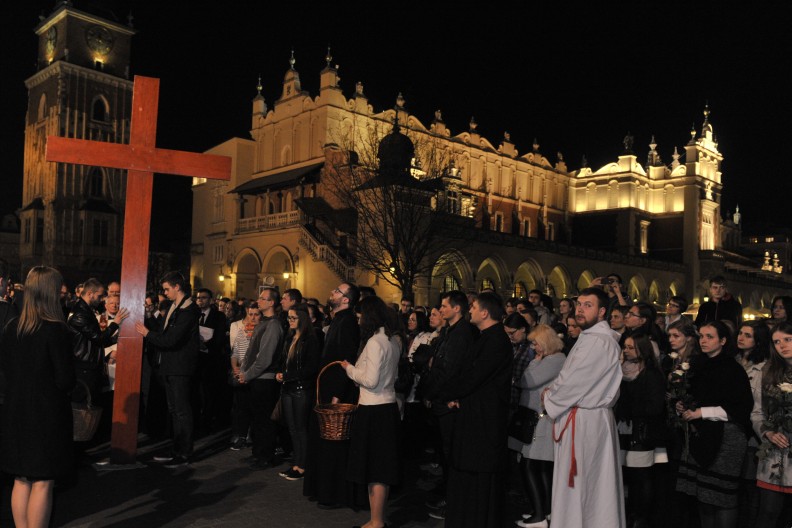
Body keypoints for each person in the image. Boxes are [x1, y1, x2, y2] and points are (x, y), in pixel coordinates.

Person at [541, 287, 626, 528]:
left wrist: (549, 398)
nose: (580, 309)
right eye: (579, 304)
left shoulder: (599, 342)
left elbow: (574, 382)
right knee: (581, 485)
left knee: (587, 485)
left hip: (588, 423)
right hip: (582, 418)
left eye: (587, 305)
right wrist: (553, 392)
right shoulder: (589, 338)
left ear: (601, 312)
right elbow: (567, 378)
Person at [0, 266, 75, 528]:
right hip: (46, 415)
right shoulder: (57, 330)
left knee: (21, 479)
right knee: (43, 482)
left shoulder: (11, 328)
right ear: (51, 292)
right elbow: (65, 380)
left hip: (14, 412)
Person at [440, 292, 513, 528]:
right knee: (466, 472)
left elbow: (475, 376)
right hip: (474, 414)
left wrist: (449, 393)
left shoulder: (496, 340)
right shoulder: (484, 337)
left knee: (480, 475)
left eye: (473, 307)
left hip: (484, 421)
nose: (469, 310)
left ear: (485, 312)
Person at [675, 320, 752, 528]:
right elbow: (692, 395)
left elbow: (741, 408)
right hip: (700, 436)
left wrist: (701, 412)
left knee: (722, 498)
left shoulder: (732, 369)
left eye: (710, 337)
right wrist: (682, 405)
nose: (704, 341)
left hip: (727, 437)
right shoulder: (697, 364)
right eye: (701, 336)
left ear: (723, 340)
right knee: (703, 495)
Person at [340, 296, 401, 528]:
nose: (357, 322)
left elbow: (370, 380)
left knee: (374, 468)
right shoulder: (392, 340)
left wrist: (350, 369)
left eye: (359, 317)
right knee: (380, 467)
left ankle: (376, 521)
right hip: (386, 406)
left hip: (373, 408)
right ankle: (376, 520)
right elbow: (391, 377)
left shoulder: (376, 342)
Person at [303, 282, 364, 510]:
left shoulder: (348, 323)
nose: (332, 292)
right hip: (325, 387)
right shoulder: (338, 320)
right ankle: (320, 488)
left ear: (346, 299)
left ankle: (332, 493)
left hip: (334, 392)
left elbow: (345, 359)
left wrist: (337, 394)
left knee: (333, 445)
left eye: (338, 291)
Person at [418, 290, 477, 520]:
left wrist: (432, 393)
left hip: (448, 401)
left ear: (456, 308)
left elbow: (448, 371)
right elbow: (435, 362)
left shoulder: (461, 334)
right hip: (441, 398)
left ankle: (453, 501)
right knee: (445, 452)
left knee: (451, 453)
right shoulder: (451, 331)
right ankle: (448, 493)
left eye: (444, 306)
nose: (441, 309)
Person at [134, 271, 201, 468]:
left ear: (177, 287)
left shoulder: (188, 311)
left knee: (181, 410)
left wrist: (147, 333)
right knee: (175, 410)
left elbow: (171, 339)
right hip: (171, 365)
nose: (164, 293)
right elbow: (164, 332)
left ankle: (184, 453)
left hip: (180, 366)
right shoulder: (176, 307)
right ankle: (177, 450)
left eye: (166, 289)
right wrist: (148, 319)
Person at [513, 324, 565, 528]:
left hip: (542, 421)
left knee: (531, 466)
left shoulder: (555, 360)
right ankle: (543, 511)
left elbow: (526, 381)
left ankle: (540, 514)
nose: (533, 348)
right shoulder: (553, 359)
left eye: (535, 343)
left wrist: (534, 363)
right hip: (539, 419)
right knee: (540, 468)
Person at [615, 333, 667, 528]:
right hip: (625, 428)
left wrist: (630, 410)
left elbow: (654, 407)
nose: (626, 351)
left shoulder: (651, 373)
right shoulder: (623, 371)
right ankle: (630, 514)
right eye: (625, 347)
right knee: (629, 476)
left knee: (642, 477)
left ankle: (641, 518)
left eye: (630, 347)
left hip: (643, 432)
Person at [237, 287, 284, 470]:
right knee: (257, 418)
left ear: (272, 302)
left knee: (265, 420)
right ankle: (258, 453)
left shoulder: (273, 325)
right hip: (257, 378)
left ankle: (265, 456)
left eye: (263, 298)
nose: (259, 301)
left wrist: (247, 374)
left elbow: (265, 357)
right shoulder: (264, 323)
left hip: (265, 379)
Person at [753, 321, 792, 527]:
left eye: (788, 339)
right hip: (774, 453)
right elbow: (757, 412)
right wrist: (767, 433)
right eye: (777, 341)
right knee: (767, 515)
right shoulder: (768, 371)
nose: (782, 345)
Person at [276, 304, 320, 481]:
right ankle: (297, 463)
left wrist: (287, 375)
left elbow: (311, 368)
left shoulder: (310, 339)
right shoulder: (290, 338)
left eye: (293, 318)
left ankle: (303, 465)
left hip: (301, 389)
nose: (290, 321)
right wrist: (282, 373)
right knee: (293, 428)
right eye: (288, 318)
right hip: (288, 387)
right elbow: (285, 361)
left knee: (301, 428)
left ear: (302, 318)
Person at [68, 278, 129, 402]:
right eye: (99, 296)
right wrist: (115, 324)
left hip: (90, 365)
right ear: (90, 294)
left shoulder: (86, 310)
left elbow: (97, 339)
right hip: (84, 366)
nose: (101, 299)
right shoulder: (80, 313)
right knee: (84, 405)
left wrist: (117, 339)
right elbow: (98, 338)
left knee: (92, 402)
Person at [735, 320, 770, 527]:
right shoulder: (735, 360)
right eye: (740, 333)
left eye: (747, 335)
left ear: (758, 341)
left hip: (752, 433)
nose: (741, 337)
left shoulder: (763, 367)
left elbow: (759, 404)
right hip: (734, 429)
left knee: (750, 486)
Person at [229, 302, 262, 450]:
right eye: (250, 314)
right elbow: (235, 351)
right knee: (241, 407)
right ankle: (241, 435)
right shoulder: (242, 331)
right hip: (241, 373)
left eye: (256, 314)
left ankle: (253, 435)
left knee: (255, 407)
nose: (253, 318)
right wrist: (235, 367)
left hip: (255, 375)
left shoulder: (262, 331)